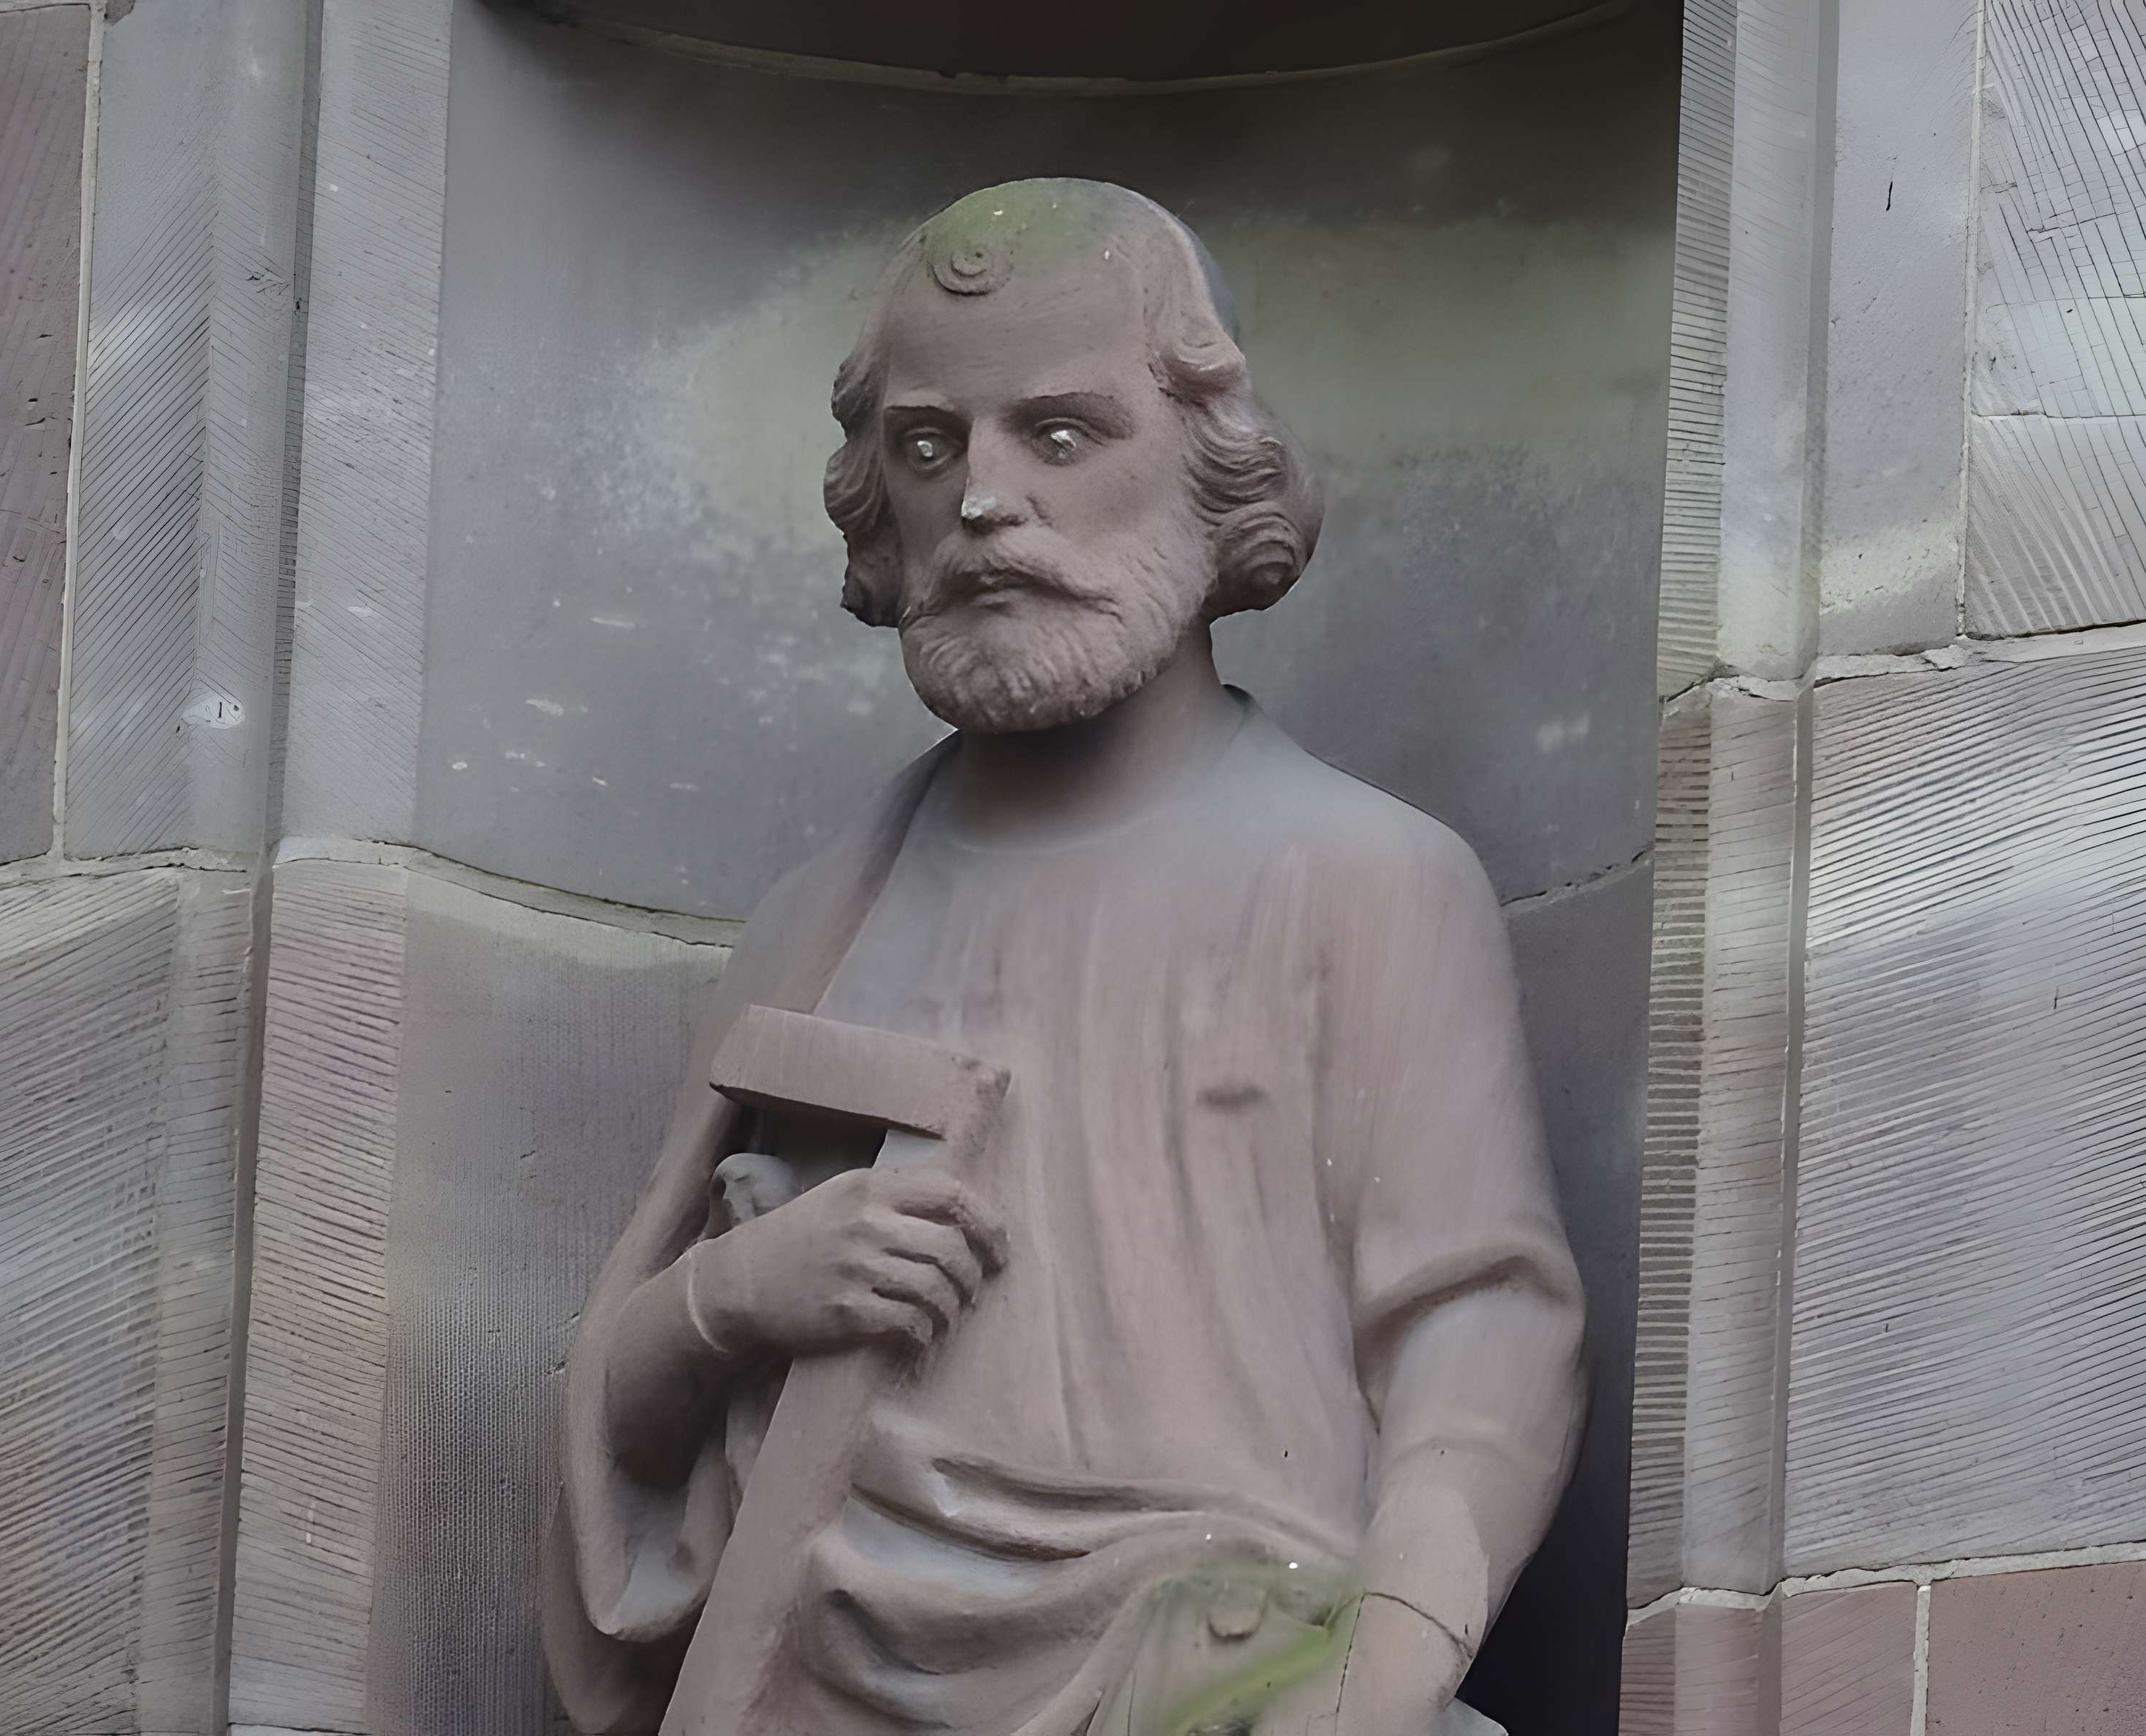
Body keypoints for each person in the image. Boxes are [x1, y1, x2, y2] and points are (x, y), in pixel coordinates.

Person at [543, 179, 1585, 1736]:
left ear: (1208, 465)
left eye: (1060, 432)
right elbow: (612, 1423)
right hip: (809, 1679)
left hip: (1221, 1674)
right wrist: (738, 1295)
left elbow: (1481, 1332)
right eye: (924, 443)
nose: (981, 499)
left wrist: (1383, 1673)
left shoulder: (1361, 879)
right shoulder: (810, 932)